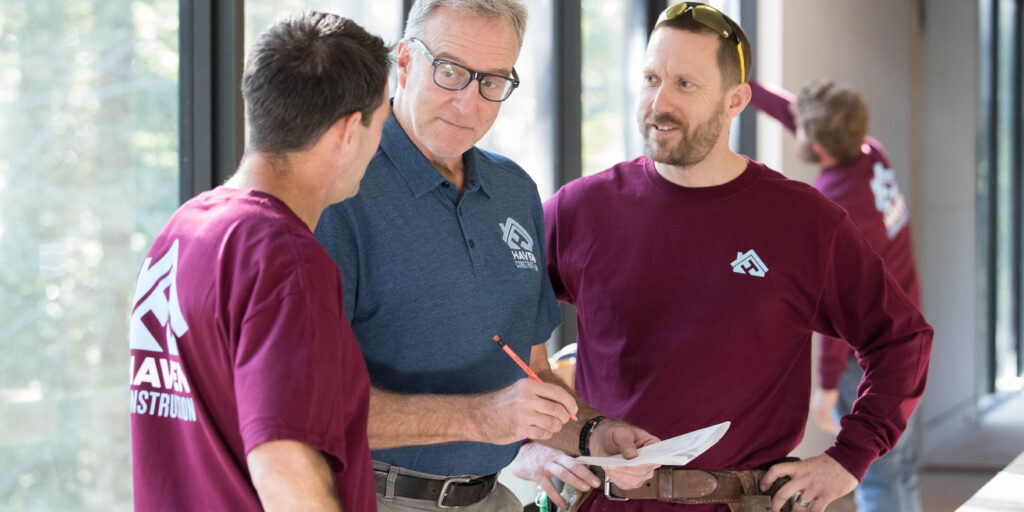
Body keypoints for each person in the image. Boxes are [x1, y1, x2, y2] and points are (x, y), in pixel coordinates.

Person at [531, 2, 934, 512]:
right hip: (603, 501)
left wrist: (849, 458)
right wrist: (525, 444)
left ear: (735, 100)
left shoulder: (805, 222)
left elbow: (901, 339)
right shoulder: (580, 209)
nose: (659, 102)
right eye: (651, 78)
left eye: (685, 84)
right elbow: (494, 323)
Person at [314, 1, 657, 510]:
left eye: (492, 81)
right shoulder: (337, 186)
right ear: (404, 62)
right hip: (372, 495)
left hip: (492, 496)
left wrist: (594, 435)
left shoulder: (514, 191)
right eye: (450, 71)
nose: (468, 103)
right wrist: (480, 417)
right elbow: (309, 403)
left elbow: (533, 375)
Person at [129, 12, 391, 511]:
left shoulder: (183, 231)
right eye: (381, 122)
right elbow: (286, 472)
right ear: (347, 132)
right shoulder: (286, 261)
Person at [749, 77, 923, 512]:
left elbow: (833, 299)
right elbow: (797, 115)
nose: (795, 127)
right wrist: (746, 85)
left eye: (802, 128)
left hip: (863, 354)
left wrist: (826, 385)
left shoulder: (834, 204)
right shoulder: (872, 153)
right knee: (900, 463)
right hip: (903, 328)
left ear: (817, 144)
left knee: (876, 473)